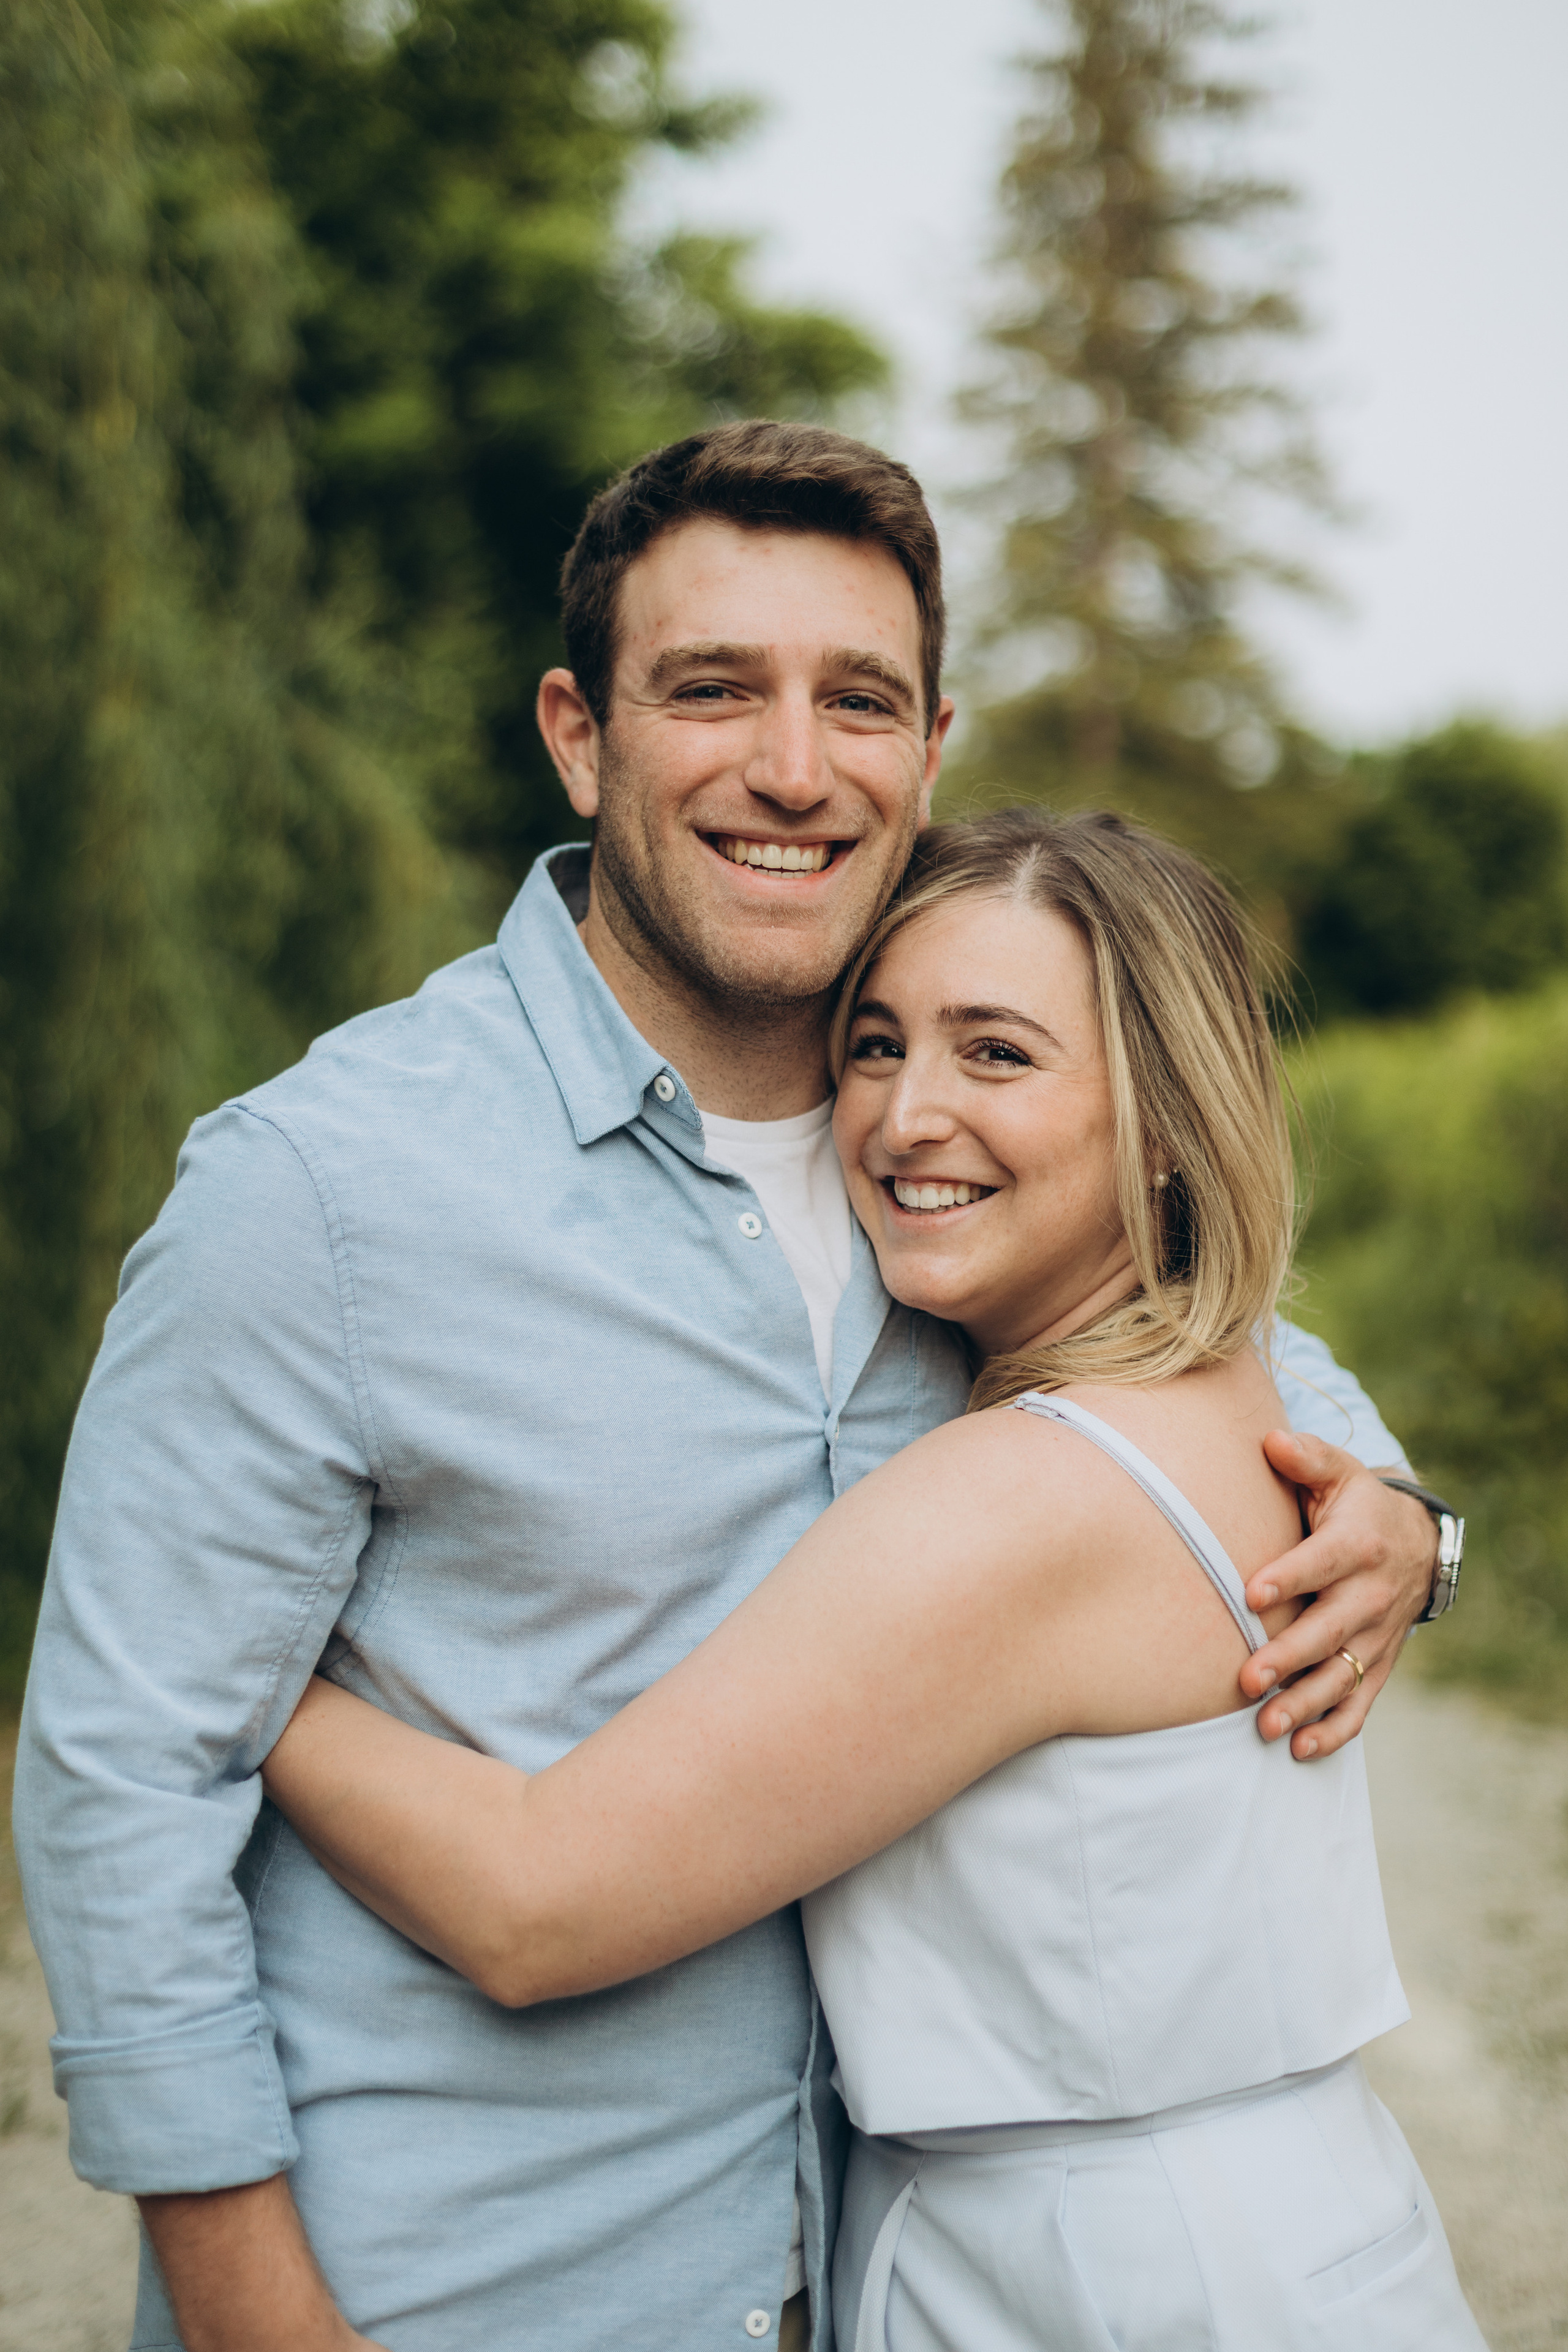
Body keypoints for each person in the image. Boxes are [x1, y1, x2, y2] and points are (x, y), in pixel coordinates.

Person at [14, 424, 1448, 2352]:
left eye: (855, 698)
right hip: (456, 2288)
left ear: (928, 748)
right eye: (711, 690)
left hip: (864, 2274)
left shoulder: (937, 1195)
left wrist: (1405, 1515)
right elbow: (120, 1773)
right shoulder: (325, 1189)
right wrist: (251, 2311)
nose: (792, 765)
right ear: (578, 733)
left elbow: (1210, 1342)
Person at [262, 805, 1487, 2350]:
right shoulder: (1238, 1400)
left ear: (1167, 1116)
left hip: (1111, 2286)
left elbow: (533, 1900)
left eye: (996, 1054)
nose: (907, 1116)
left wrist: (248, 1669)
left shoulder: (1022, 1495)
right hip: (1267, 2229)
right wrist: (1416, 1525)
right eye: (873, 1045)